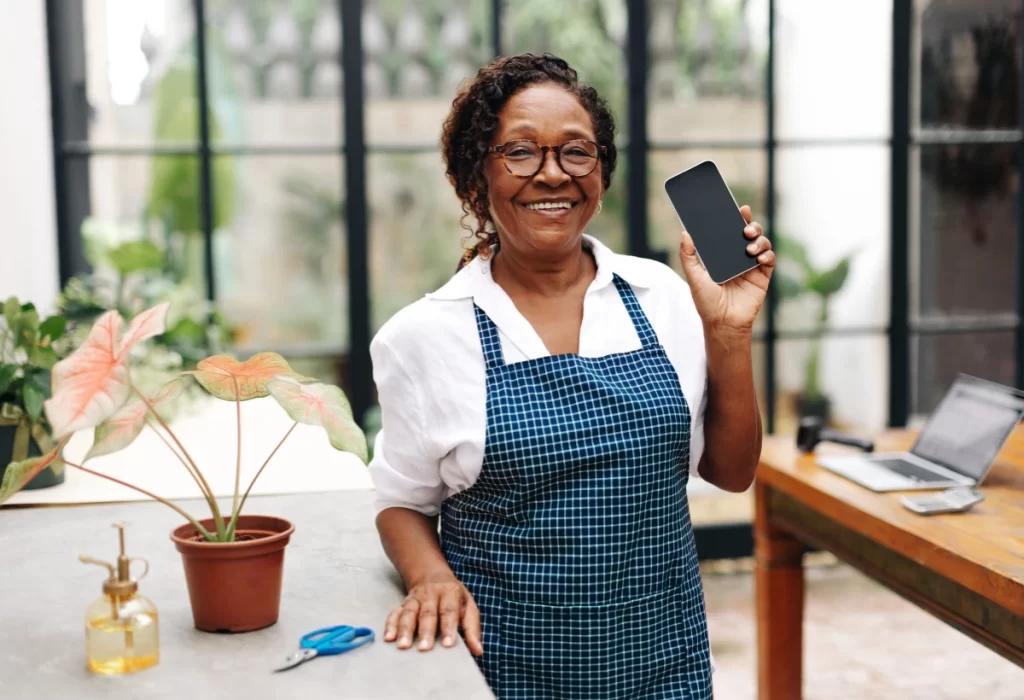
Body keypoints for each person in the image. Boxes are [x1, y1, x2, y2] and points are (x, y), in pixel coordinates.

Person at [368, 53, 774, 699]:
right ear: (477, 178)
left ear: (602, 173)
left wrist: (729, 332)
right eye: (520, 152)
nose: (552, 173)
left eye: (576, 152)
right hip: (503, 668)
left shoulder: (661, 295)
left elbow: (731, 472)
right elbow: (401, 501)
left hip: (663, 665)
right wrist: (431, 579)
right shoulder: (423, 337)